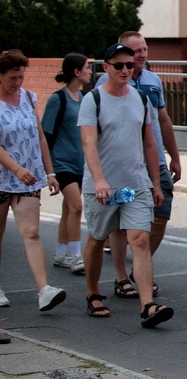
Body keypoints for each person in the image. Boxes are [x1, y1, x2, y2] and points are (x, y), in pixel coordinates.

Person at [79, 43, 172, 327]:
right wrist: (99, 180)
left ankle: (148, 306)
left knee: (140, 241)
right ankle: (93, 293)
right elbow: (88, 143)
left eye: (129, 65)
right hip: (103, 186)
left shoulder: (141, 98)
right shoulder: (93, 100)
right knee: (97, 240)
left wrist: (155, 182)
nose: (125, 70)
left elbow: (149, 142)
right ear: (105, 67)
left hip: (136, 183)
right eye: (118, 65)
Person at [96, 31, 181, 299]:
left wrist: (175, 155)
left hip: (153, 160)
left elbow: (164, 120)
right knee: (119, 222)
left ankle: (139, 268)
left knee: (162, 210)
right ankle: (122, 277)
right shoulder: (104, 83)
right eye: (136, 52)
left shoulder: (153, 80)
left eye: (144, 49)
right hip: (122, 162)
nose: (142, 55)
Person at [0, 49, 67, 311]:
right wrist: (16, 169)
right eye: (13, 77)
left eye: (21, 77)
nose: (18, 82)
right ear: (1, 75)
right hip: (6, 175)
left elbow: (39, 137)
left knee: (32, 233)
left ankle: (44, 290)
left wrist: (49, 173)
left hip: (28, 178)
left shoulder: (28, 96)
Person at [41, 53, 92, 276]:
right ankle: (75, 256)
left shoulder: (83, 97)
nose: (90, 71)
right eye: (87, 68)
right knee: (76, 206)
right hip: (61, 164)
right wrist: (48, 170)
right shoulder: (57, 99)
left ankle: (61, 254)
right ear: (76, 72)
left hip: (79, 163)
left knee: (68, 209)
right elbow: (46, 134)